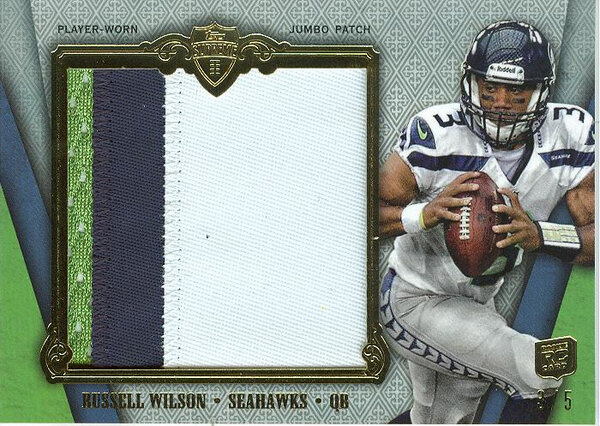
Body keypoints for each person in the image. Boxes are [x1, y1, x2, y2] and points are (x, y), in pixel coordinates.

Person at [379, 21, 594, 424]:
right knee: (540, 367)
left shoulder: (569, 133)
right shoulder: (437, 135)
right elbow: (364, 213)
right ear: (471, 83)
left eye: (517, 92)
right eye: (490, 88)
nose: (500, 102)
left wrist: (540, 235)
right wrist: (423, 214)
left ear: (541, 92)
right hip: (415, 298)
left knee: (441, 420)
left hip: (477, 303)